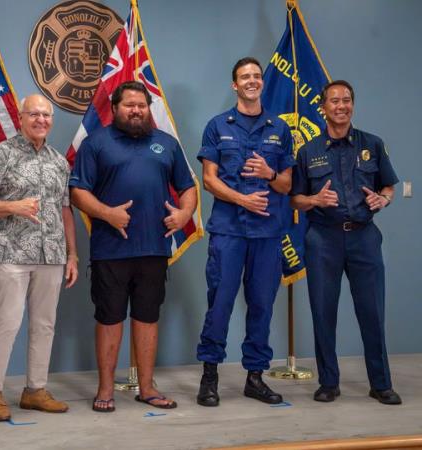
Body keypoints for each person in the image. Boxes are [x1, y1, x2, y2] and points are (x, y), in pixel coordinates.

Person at [70, 81, 197, 412]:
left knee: (147, 317)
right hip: (110, 250)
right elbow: (77, 192)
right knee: (110, 318)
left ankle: (148, 388)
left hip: (153, 249)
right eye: (130, 105)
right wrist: (107, 214)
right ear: (114, 108)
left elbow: (188, 187)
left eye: (142, 105)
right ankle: (106, 390)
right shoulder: (96, 143)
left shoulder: (166, 144)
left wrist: (184, 213)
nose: (137, 110)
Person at [290, 80, 401, 405]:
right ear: (323, 107)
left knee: (372, 312)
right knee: (323, 312)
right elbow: (295, 199)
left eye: (347, 100)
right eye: (334, 101)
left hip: (364, 239)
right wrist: (315, 200)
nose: (341, 106)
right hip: (323, 239)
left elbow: (389, 186)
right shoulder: (308, 151)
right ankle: (328, 382)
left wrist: (384, 199)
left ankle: (380, 384)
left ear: (353, 104)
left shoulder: (373, 144)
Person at [195, 57, 294, 407]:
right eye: (244, 77)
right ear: (234, 85)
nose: (251, 81)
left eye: (256, 76)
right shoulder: (218, 125)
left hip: (267, 233)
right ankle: (210, 377)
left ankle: (255, 377)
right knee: (219, 303)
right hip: (229, 231)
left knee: (262, 306)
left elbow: (286, 185)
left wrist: (269, 173)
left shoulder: (279, 128)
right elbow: (209, 181)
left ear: (262, 83)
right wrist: (243, 199)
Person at [0, 94, 78, 421]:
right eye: (34, 114)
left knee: (45, 324)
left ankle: (35, 390)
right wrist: (12, 207)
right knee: (7, 322)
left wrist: (72, 254)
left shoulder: (59, 161)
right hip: (12, 252)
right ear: (21, 118)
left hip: (53, 254)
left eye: (46, 115)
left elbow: (65, 210)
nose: (41, 120)